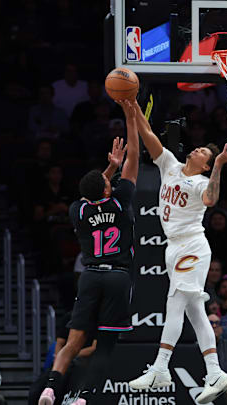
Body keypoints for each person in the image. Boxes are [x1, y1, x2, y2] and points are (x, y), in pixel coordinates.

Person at [126, 98, 227, 404]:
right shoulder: (170, 165)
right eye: (201, 148)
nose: (198, 149)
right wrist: (133, 106)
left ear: (205, 164)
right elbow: (148, 136)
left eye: (204, 152)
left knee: (175, 301)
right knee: (194, 310)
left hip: (192, 245)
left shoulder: (203, 180)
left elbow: (212, 200)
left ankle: (161, 367)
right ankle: (214, 372)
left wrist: (217, 167)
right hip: (172, 247)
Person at [39, 99, 140, 405]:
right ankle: (84, 397)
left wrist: (110, 167)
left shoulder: (77, 210)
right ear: (108, 189)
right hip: (117, 277)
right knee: (105, 345)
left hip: (89, 275)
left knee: (73, 341)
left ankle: (50, 388)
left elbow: (93, 188)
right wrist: (131, 115)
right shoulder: (120, 200)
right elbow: (134, 154)